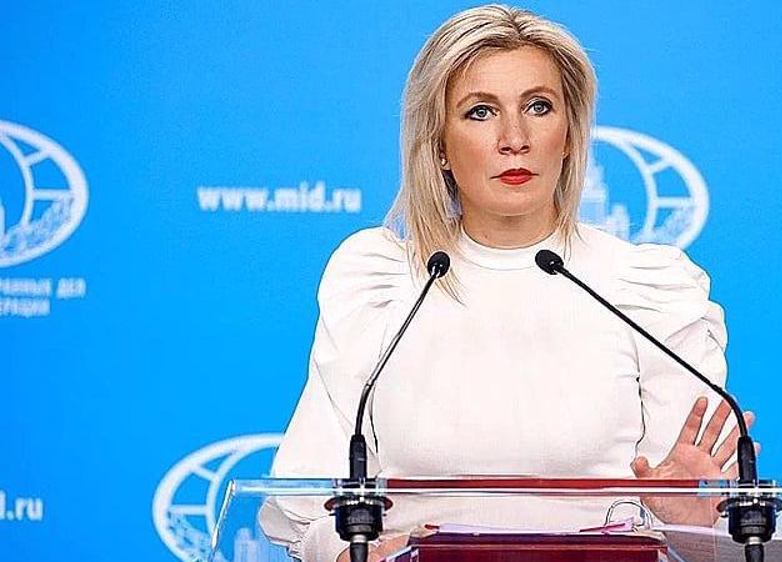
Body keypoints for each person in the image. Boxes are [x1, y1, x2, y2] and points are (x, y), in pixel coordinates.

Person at [259, 5, 754, 562]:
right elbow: (308, 511)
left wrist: (691, 523)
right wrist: (354, 550)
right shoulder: (383, 282)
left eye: (539, 107)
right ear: (439, 146)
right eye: (480, 112)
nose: (514, 138)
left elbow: (692, 523)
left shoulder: (647, 290)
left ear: (569, 135)